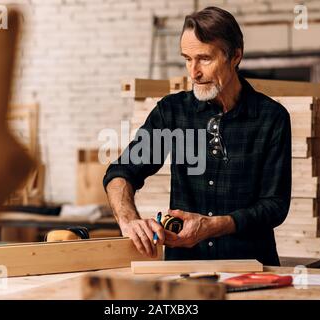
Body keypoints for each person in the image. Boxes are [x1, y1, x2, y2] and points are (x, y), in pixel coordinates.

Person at [103, 6, 292, 266]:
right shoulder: (172, 112)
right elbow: (121, 172)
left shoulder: (271, 118)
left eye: (204, 59)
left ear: (235, 56)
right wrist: (129, 221)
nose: (193, 72)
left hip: (251, 269)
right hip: (185, 270)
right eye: (187, 59)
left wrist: (213, 226)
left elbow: (275, 206)